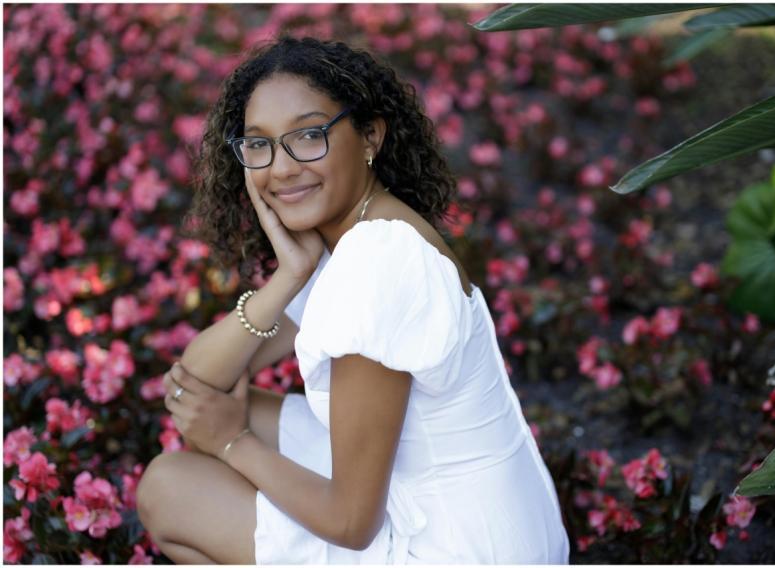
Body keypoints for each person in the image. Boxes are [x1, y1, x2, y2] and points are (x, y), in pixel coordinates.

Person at [136, 35, 570, 564]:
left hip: (458, 545)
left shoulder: (378, 264)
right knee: (236, 409)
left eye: (309, 136)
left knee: (168, 487)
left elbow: (351, 522)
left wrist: (232, 444)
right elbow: (195, 386)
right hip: (493, 517)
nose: (281, 168)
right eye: (259, 144)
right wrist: (288, 277)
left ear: (370, 136)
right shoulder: (363, 231)